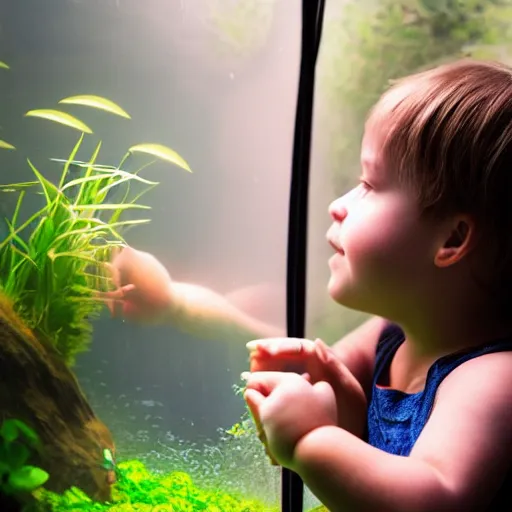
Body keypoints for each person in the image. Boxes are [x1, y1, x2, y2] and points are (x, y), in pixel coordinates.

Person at [104, 59, 512, 510]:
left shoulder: (494, 378)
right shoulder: (388, 335)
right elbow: (299, 368)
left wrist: (309, 439)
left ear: (452, 239)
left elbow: (434, 498)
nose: (340, 204)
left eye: (369, 184)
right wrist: (177, 305)